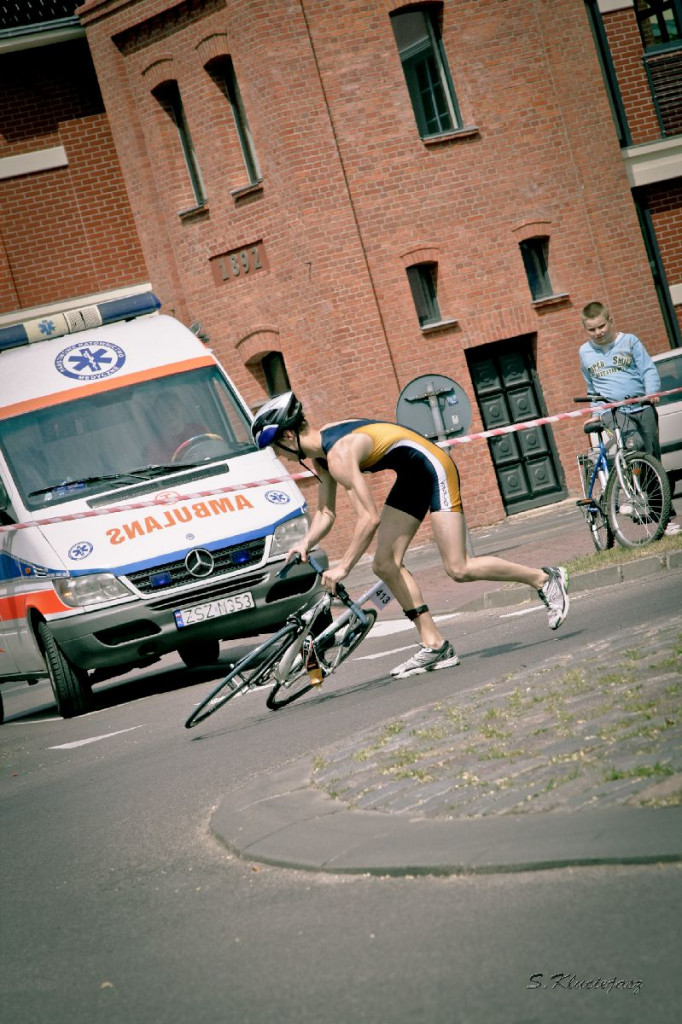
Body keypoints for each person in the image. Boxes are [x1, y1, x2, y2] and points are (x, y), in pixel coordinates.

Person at [251, 392, 570, 679]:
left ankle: (543, 578)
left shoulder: (338, 453)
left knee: (458, 568)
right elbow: (326, 513)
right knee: (385, 564)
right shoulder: (321, 455)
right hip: (411, 476)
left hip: (434, 468)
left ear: (289, 435)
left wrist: (343, 567)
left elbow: (368, 518)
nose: (281, 456)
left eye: (276, 447)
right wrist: (305, 543)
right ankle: (435, 645)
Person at [579, 301, 679, 535]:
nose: (598, 332)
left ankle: (664, 520)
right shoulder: (584, 352)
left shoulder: (630, 341)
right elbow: (591, 385)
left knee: (653, 459)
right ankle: (630, 493)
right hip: (612, 410)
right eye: (592, 329)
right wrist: (595, 412)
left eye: (601, 326)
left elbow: (647, 369)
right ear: (585, 330)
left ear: (610, 320)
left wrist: (652, 391)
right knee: (634, 445)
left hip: (641, 405)